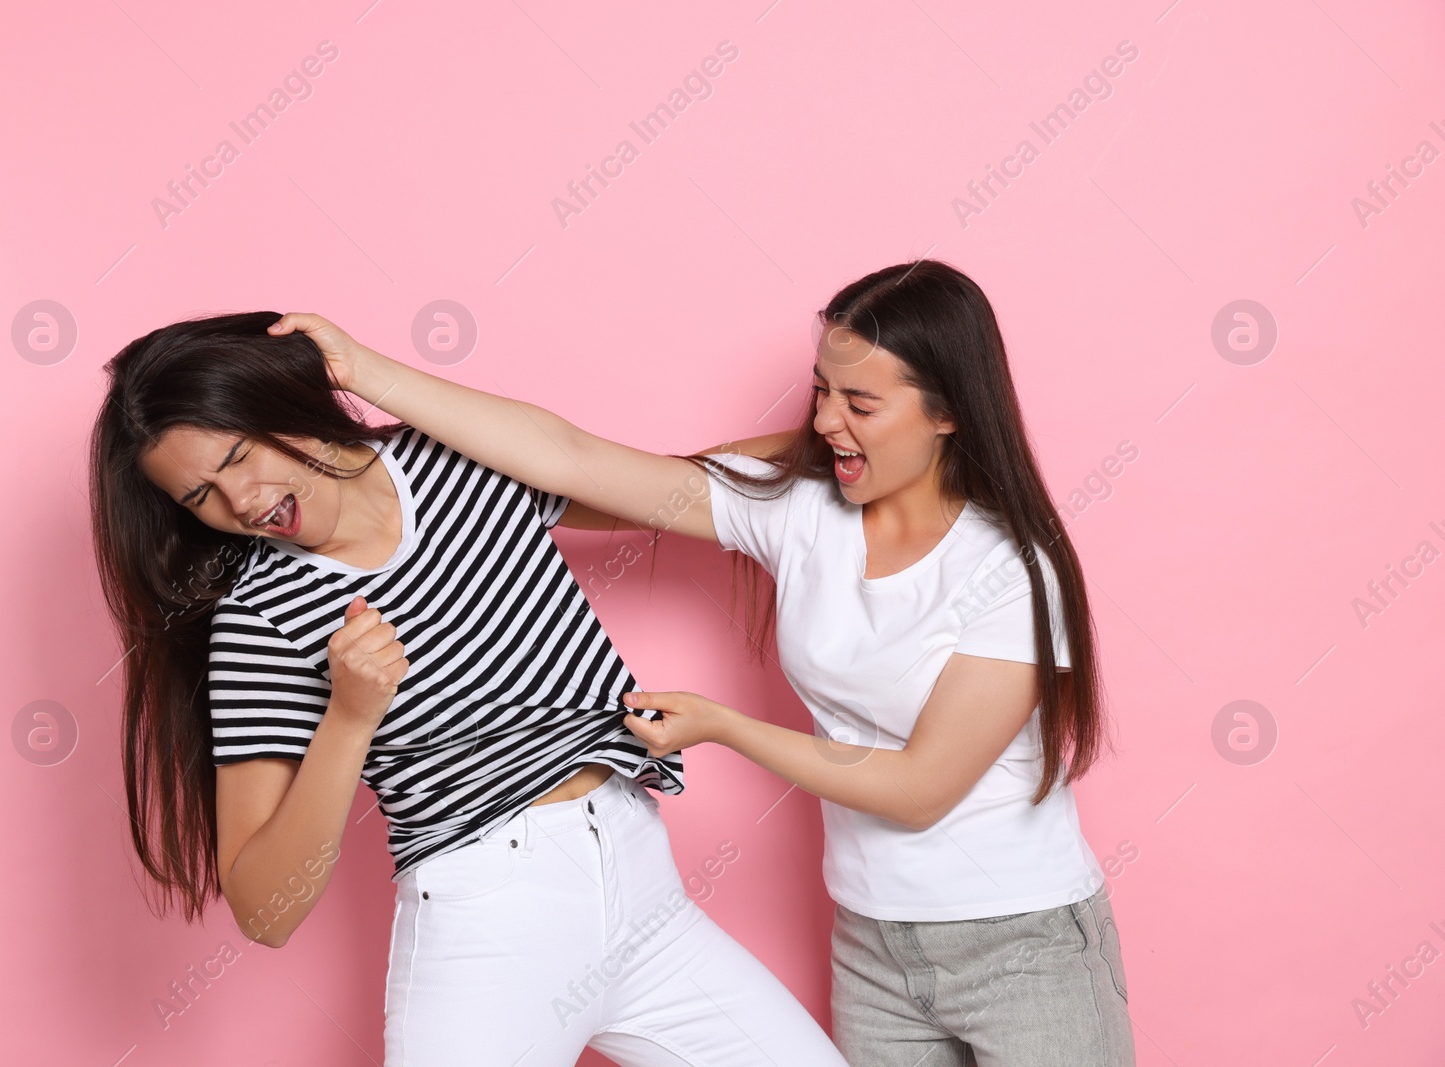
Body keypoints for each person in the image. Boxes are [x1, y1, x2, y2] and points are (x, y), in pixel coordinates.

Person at [270, 258, 1136, 1066]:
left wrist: (723, 725)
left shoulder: (1010, 569)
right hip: (874, 944)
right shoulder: (800, 510)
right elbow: (576, 460)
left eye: (862, 404)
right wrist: (361, 371)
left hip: (1023, 940)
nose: (826, 421)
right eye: (821, 391)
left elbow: (921, 787)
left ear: (948, 411)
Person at [87, 311, 850, 1067]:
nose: (242, 502)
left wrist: (863, 447)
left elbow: (664, 486)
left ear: (279, 404)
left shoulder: (455, 462)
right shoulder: (259, 623)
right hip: (487, 927)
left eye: (240, 455)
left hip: (643, 887)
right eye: (200, 498)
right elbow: (265, 910)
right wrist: (349, 720)